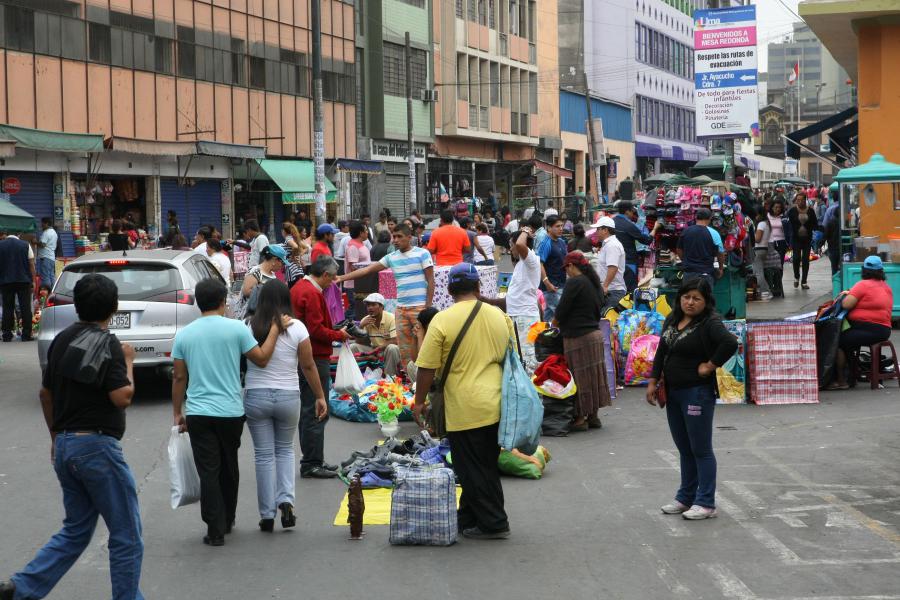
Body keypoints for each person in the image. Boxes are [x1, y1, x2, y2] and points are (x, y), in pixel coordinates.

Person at [0, 274, 143, 600]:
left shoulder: (62, 340)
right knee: (127, 534)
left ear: (76, 306)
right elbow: (122, 397)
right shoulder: (108, 343)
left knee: (76, 529)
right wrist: (128, 362)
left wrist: (56, 438)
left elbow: (45, 394)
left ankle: (22, 588)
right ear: (114, 307)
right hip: (98, 447)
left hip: (66, 445)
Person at [172, 278, 288, 546]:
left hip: (199, 412)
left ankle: (214, 528)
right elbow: (261, 358)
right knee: (228, 465)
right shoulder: (236, 329)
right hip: (231, 412)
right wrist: (275, 329)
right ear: (223, 302)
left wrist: (177, 412)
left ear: (198, 303)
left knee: (208, 470)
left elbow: (179, 377)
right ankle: (228, 518)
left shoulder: (184, 335)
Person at [412, 263, 513, 540]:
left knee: (471, 468)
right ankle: (468, 517)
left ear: (449, 290)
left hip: (465, 406)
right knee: (483, 464)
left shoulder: (442, 320)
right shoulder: (499, 316)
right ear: (478, 286)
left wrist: (419, 402)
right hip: (496, 402)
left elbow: (426, 367)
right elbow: (511, 358)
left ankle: (494, 522)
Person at [647, 278, 738, 521]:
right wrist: (653, 381)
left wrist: (710, 365)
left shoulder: (710, 323)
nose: (690, 302)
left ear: (706, 301)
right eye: (686, 297)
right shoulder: (673, 318)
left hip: (697, 393)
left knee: (700, 449)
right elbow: (662, 351)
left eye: (696, 298)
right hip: (673, 392)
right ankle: (685, 497)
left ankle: (706, 502)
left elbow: (730, 342)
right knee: (685, 448)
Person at [244, 280, 325, 532]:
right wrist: (320, 396)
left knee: (263, 455)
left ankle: (267, 515)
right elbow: (308, 365)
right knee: (285, 451)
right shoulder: (297, 327)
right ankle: (287, 501)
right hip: (288, 396)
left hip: (256, 395)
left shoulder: (248, 326)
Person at [338, 224, 434, 370]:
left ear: (409, 237)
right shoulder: (391, 257)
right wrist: (341, 278)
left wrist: (427, 306)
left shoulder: (423, 254)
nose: (395, 240)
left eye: (399, 237)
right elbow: (367, 270)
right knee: (404, 349)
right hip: (401, 310)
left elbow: (431, 280)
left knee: (423, 346)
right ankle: (409, 379)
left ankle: (423, 378)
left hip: (419, 308)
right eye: (394, 237)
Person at [290, 256, 350, 479]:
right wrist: (338, 334)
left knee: (309, 409)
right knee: (317, 408)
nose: (332, 282)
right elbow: (315, 330)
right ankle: (311, 462)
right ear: (325, 275)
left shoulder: (300, 287)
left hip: (306, 355)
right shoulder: (312, 293)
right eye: (332, 278)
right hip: (315, 357)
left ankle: (313, 458)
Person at [552, 252, 610, 431]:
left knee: (579, 377)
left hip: (578, 337)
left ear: (571, 266)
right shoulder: (594, 283)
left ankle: (579, 419)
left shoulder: (575, 282)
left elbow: (561, 310)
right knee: (594, 377)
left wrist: (552, 326)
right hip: (594, 336)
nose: (566, 272)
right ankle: (593, 416)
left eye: (566, 268)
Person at [480, 226, 542, 373]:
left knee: (528, 360)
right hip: (519, 317)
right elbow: (511, 299)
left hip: (526, 318)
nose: (511, 249)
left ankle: (532, 387)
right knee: (520, 358)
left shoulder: (531, 259)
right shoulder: (521, 264)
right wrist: (486, 300)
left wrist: (525, 231)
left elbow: (520, 244)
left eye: (511, 245)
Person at [828, 256, 894, 390]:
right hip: (884, 331)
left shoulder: (862, 285)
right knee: (848, 340)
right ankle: (852, 374)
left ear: (864, 270)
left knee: (837, 341)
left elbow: (846, 304)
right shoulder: (886, 287)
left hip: (867, 329)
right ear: (881, 271)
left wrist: (847, 294)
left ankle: (842, 380)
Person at [350, 292, 402, 377]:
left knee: (392, 348)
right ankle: (357, 377)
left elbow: (395, 340)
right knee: (353, 347)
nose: (370, 308)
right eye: (368, 305)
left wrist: (378, 349)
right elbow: (359, 342)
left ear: (382, 307)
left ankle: (389, 378)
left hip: (385, 351)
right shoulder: (366, 320)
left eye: (373, 305)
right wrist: (361, 326)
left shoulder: (391, 318)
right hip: (374, 350)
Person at [614, 201, 661, 292]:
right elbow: (647, 240)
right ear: (627, 212)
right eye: (632, 211)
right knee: (630, 292)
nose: (633, 214)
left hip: (614, 263)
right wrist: (655, 228)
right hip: (628, 263)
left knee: (616, 290)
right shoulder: (629, 225)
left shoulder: (611, 222)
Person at [676, 208, 725, 290]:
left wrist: (685, 260)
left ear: (696, 217)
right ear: (709, 218)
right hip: (705, 273)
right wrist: (720, 269)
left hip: (689, 273)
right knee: (704, 297)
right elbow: (720, 253)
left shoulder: (686, 231)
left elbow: (679, 249)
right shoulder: (714, 233)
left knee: (689, 296)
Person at [0, 228, 35, 342]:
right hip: (23, 280)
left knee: (7, 307)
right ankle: (26, 334)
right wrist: (33, 280)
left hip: (6, 281)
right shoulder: (25, 245)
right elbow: (31, 264)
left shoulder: (1, 245)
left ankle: (7, 334)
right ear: (18, 234)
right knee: (25, 307)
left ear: (7, 234)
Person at [535, 215, 568, 321]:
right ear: (549, 228)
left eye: (562, 226)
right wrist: (547, 283)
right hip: (552, 287)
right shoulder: (546, 243)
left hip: (561, 284)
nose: (561, 229)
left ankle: (545, 329)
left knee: (549, 315)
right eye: (557, 226)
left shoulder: (561, 242)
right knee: (561, 315)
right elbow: (539, 263)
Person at [594, 216, 628, 311]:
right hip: (610, 290)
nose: (596, 232)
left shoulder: (612, 245)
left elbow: (613, 267)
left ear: (605, 230)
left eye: (598, 229)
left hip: (613, 291)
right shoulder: (608, 244)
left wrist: (605, 286)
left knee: (608, 318)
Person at [786, 192, 818, 290]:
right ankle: (796, 277)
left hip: (807, 239)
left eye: (802, 200)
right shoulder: (792, 211)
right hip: (796, 239)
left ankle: (804, 281)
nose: (799, 202)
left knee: (805, 260)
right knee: (796, 258)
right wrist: (789, 238)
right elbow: (788, 225)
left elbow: (815, 224)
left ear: (805, 200)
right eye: (798, 200)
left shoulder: (810, 211)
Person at [750, 214, 774, 301]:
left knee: (758, 273)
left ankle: (765, 292)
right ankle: (766, 291)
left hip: (758, 249)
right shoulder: (767, 223)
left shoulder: (761, 224)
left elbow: (757, 239)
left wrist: (751, 235)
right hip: (764, 249)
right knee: (759, 272)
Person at [36, 217, 58, 288]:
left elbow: (43, 244)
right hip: (51, 257)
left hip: (45, 257)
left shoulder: (46, 232)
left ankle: (46, 292)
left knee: (45, 277)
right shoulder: (54, 232)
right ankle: (53, 291)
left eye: (42, 223)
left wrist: (35, 242)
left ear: (46, 223)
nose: (41, 225)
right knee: (51, 276)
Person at [822, 198, 842, 276]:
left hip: (832, 247)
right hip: (841, 247)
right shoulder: (843, 223)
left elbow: (825, 234)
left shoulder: (830, 222)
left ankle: (835, 281)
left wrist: (820, 244)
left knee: (834, 267)